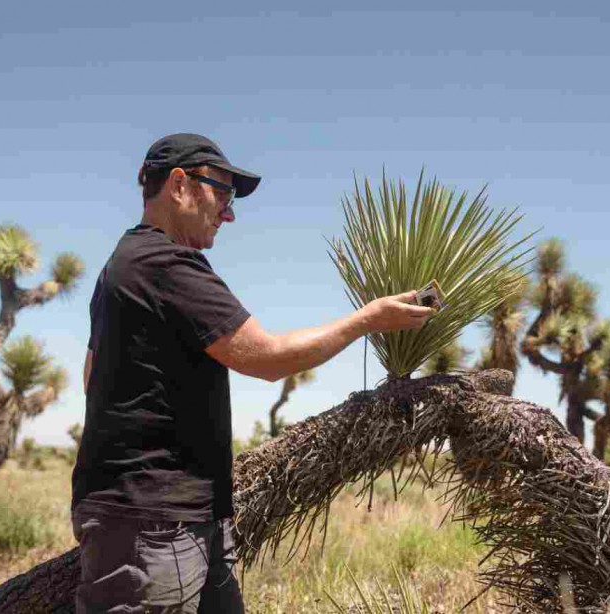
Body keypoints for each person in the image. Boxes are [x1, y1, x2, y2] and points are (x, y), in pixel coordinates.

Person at [71, 133, 435, 613]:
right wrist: (368, 319)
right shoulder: (165, 263)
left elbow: (91, 372)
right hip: (154, 523)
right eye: (222, 193)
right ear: (179, 185)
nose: (229, 212)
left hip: (173, 515)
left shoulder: (124, 264)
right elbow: (266, 357)